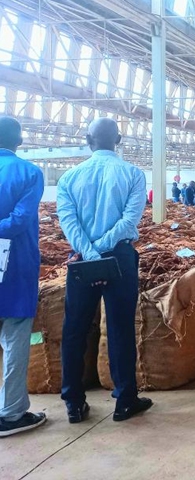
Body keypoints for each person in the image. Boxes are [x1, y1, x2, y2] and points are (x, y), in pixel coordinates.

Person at [56, 118, 152, 423]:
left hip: (81, 258)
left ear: (88, 140)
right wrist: (103, 251)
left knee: (75, 329)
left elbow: (69, 222)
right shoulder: (133, 174)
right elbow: (128, 221)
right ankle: (125, 400)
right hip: (119, 256)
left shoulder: (69, 178)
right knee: (120, 327)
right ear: (118, 140)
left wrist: (89, 252)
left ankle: (73, 403)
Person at [0, 116, 47, 437]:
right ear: (19, 141)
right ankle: (11, 413)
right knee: (16, 339)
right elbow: (19, 221)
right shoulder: (29, 173)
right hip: (15, 265)